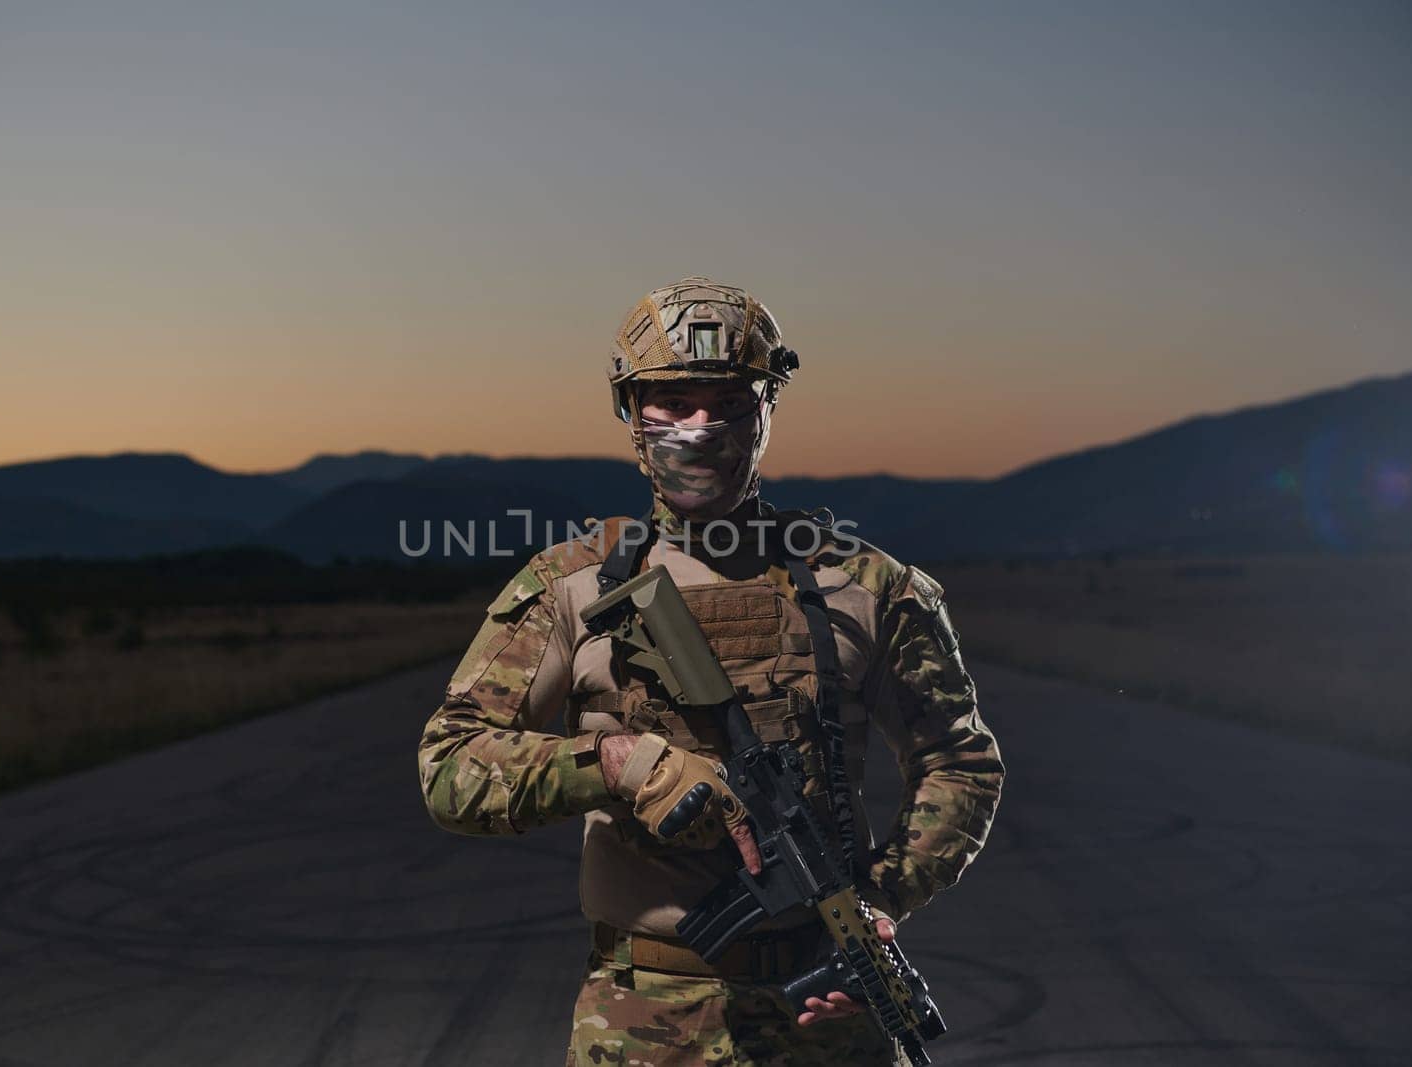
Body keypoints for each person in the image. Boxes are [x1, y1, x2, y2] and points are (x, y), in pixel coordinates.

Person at [417, 276, 1004, 1065]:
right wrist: (619, 762)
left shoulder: (867, 585)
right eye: (671, 401)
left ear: (767, 409)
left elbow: (961, 763)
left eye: (727, 401)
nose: (699, 428)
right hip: (639, 1020)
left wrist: (877, 899)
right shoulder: (570, 586)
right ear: (629, 411)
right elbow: (448, 765)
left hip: (826, 1013)